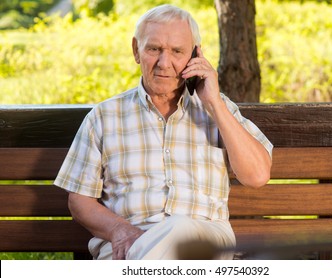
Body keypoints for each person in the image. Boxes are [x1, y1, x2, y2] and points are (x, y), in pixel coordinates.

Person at [54, 4, 273, 260]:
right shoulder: (104, 117)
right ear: (136, 50)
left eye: (177, 51)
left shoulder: (220, 110)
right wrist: (119, 230)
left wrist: (214, 103)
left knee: (179, 228)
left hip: (204, 243)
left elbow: (257, 175)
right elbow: (79, 200)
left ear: (194, 56)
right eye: (154, 49)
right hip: (128, 247)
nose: (164, 62)